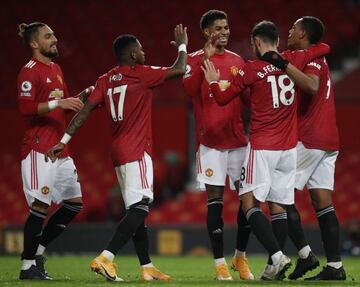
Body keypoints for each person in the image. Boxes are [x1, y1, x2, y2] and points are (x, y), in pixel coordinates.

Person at [46, 24, 188, 282]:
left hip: (118, 152)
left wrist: (63, 140)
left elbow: (84, 113)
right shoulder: (141, 74)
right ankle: (106, 257)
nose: (144, 53)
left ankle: (146, 267)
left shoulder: (105, 79)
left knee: (136, 209)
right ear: (133, 55)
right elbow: (179, 69)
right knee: (142, 208)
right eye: (141, 50)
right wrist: (182, 45)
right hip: (136, 150)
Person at [201, 20, 330, 280]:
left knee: (249, 202)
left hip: (262, 146)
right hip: (289, 148)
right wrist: (288, 57)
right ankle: (275, 270)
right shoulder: (295, 59)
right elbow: (323, 47)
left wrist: (214, 82)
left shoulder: (251, 69)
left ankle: (278, 256)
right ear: (277, 42)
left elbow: (223, 98)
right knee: (280, 206)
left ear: (256, 42)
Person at [17, 22, 93, 280]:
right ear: (34, 44)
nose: (55, 39)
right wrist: (58, 102)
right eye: (48, 36)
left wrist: (83, 96)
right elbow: (25, 108)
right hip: (39, 148)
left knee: (74, 204)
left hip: (60, 150)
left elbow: (62, 106)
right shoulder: (29, 72)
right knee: (40, 205)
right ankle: (27, 267)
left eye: (54, 34)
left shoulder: (56, 69)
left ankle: (37, 250)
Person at [183, 9, 253, 281]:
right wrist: (206, 61)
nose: (224, 32)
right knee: (215, 201)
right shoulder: (194, 60)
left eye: (226, 27)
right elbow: (188, 92)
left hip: (237, 142)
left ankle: (241, 257)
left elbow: (248, 99)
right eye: (218, 28)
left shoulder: (238, 60)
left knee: (248, 199)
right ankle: (220, 263)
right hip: (211, 144)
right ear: (207, 33)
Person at [277, 16, 346, 280]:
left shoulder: (311, 58)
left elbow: (312, 86)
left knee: (278, 194)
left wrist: (280, 62)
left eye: (293, 28)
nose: (290, 31)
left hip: (311, 138)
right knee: (322, 202)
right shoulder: (316, 55)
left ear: (304, 33)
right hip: (328, 139)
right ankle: (336, 267)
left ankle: (305, 256)